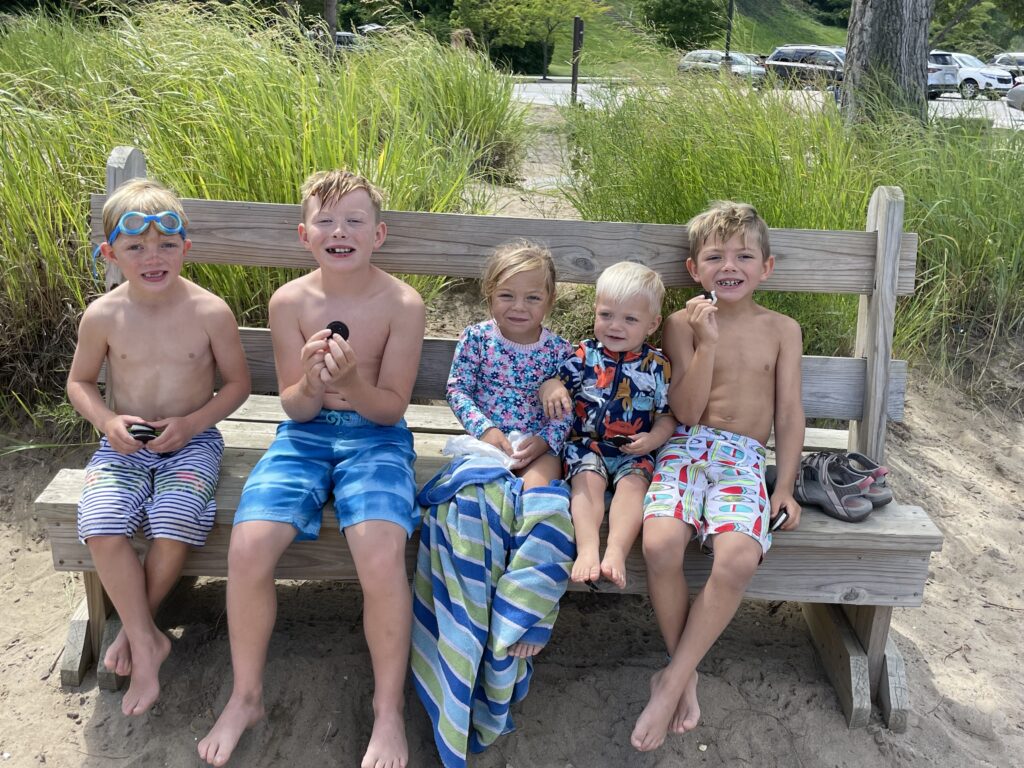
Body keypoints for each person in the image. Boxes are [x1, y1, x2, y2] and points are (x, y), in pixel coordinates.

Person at [198, 170, 425, 768]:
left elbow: (391, 410)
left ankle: (387, 711)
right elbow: (293, 408)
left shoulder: (402, 303)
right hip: (303, 436)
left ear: (379, 233)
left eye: (354, 221)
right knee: (248, 548)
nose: (339, 232)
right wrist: (309, 382)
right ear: (305, 235)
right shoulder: (290, 302)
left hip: (378, 440)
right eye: (325, 221)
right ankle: (246, 697)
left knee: (380, 553)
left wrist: (352, 381)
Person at [67, 179, 251, 717]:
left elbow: (237, 385)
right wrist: (106, 421)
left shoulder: (209, 311)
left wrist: (193, 424)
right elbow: (79, 383)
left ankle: (134, 631)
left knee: (174, 518)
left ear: (185, 248)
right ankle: (147, 638)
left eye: (166, 245)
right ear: (111, 254)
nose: (153, 257)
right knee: (100, 523)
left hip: (190, 443)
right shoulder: (103, 315)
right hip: (124, 444)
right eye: (136, 247)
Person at [631, 201, 804, 751]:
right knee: (659, 543)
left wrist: (784, 486)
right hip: (685, 445)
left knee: (737, 556)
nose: (730, 266)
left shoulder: (783, 330)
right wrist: (705, 344)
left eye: (744, 256)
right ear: (694, 269)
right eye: (716, 256)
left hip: (744, 459)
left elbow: (790, 413)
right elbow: (683, 410)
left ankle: (673, 678)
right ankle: (685, 673)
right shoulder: (683, 325)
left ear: (766, 268)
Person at [540, 261, 675, 590]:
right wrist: (554, 388)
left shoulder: (657, 366)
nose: (615, 326)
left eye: (630, 319)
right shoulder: (585, 355)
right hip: (586, 444)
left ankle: (615, 551)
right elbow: (552, 381)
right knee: (586, 481)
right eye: (606, 315)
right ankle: (587, 549)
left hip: (633, 449)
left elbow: (668, 416)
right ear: (596, 311)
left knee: (633, 486)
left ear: (652, 324)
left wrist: (653, 439)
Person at [445, 240, 573, 501]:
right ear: (490, 293)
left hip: (535, 447)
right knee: (479, 495)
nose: (518, 306)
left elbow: (566, 409)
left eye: (533, 298)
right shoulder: (477, 339)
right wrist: (485, 430)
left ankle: (533, 538)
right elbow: (458, 390)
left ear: (550, 300)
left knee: (538, 496)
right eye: (506, 295)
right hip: (488, 441)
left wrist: (546, 441)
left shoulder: (560, 351)